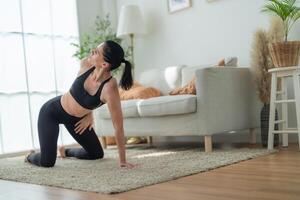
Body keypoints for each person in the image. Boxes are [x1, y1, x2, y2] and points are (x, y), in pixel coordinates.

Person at [25, 40, 138, 169]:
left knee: (96, 153)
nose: (91, 52)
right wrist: (90, 114)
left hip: (75, 120)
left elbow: (118, 127)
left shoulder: (109, 88)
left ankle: (66, 152)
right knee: (47, 162)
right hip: (52, 113)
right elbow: (80, 97)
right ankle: (30, 156)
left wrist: (122, 160)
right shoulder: (86, 64)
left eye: (96, 52)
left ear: (105, 64)